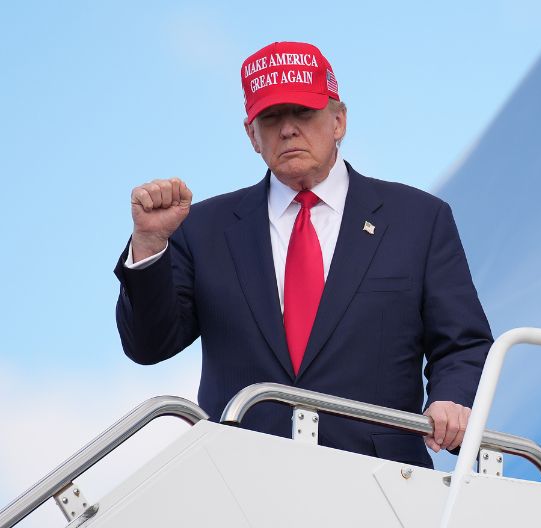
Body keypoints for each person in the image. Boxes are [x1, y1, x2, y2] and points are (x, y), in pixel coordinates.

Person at [115, 41, 493, 471]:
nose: (288, 129)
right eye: (272, 117)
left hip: (383, 483)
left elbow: (462, 342)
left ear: (339, 121)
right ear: (251, 135)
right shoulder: (201, 229)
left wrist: (451, 398)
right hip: (240, 482)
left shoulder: (418, 220)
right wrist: (148, 246)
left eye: (303, 113)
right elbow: (148, 346)